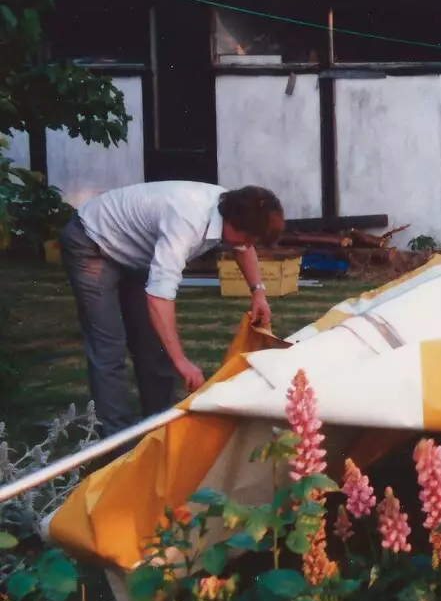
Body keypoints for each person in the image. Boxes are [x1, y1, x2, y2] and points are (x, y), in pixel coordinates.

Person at [59, 182, 285, 435]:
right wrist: (181, 361)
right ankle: (116, 444)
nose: (249, 243)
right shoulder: (186, 222)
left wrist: (258, 293)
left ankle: (158, 427)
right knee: (109, 346)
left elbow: (243, 247)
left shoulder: (231, 208)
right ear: (232, 222)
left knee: (153, 343)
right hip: (92, 241)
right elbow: (159, 297)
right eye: (250, 237)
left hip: (133, 251)